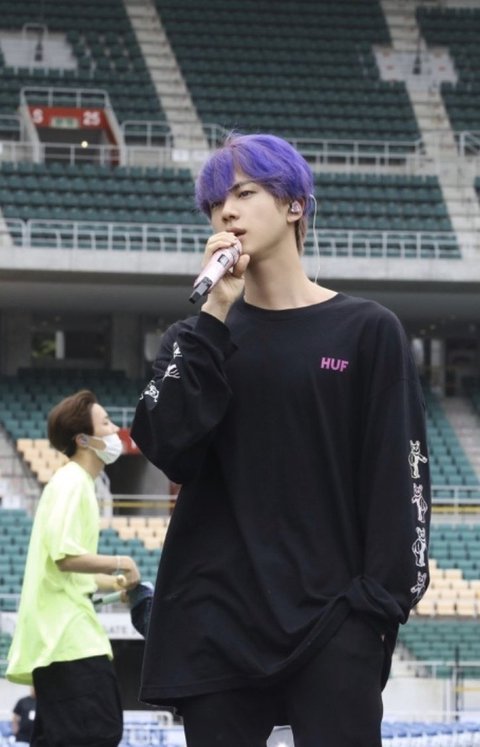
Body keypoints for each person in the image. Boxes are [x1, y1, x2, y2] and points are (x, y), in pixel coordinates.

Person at [131, 133, 431, 747]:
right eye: (215, 204)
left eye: (244, 193)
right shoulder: (196, 338)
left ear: (295, 204)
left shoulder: (366, 330)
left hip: (333, 618)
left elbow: (400, 474)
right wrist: (214, 317)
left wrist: (375, 608)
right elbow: (167, 446)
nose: (227, 213)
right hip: (215, 618)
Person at [7, 389, 141, 747]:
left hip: (61, 641)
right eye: (106, 423)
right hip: (67, 640)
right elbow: (64, 556)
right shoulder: (72, 483)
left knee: (63, 738)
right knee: (97, 732)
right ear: (83, 439)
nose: (115, 430)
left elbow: (69, 570)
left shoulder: (74, 483)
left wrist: (115, 581)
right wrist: (122, 562)